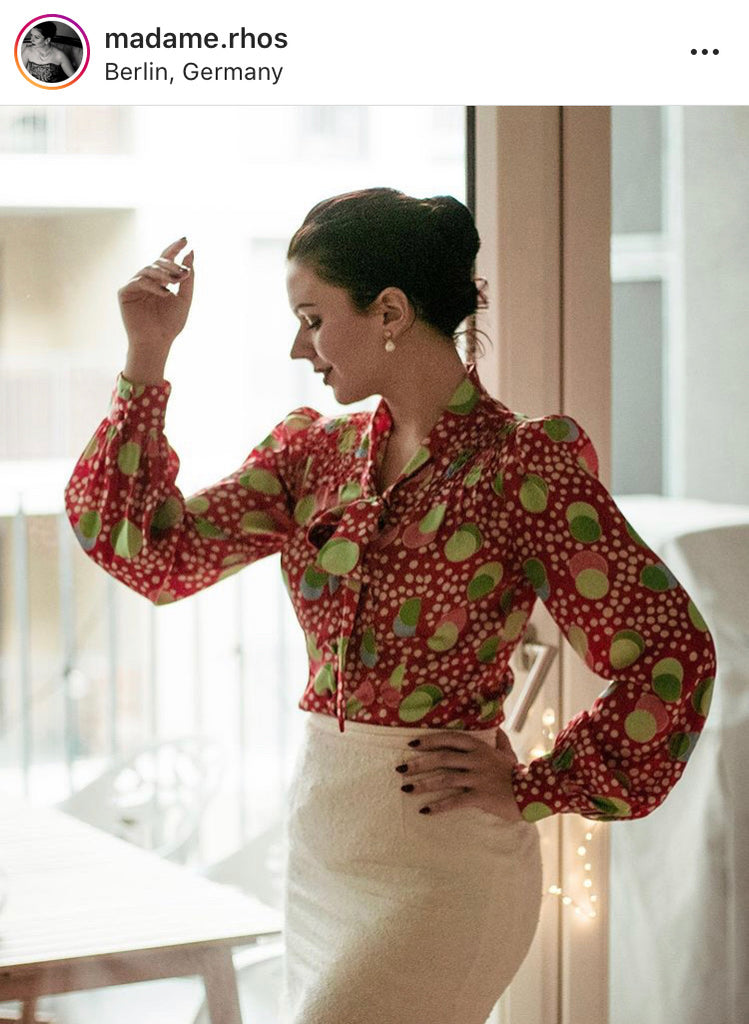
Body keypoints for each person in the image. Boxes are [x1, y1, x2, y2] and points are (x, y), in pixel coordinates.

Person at [64, 188, 716, 1024]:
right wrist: (146, 353)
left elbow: (670, 653)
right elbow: (151, 554)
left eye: (312, 319)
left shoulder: (521, 467)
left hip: (444, 873)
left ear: (391, 312)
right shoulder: (311, 455)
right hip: (322, 856)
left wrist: (537, 784)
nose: (299, 348)